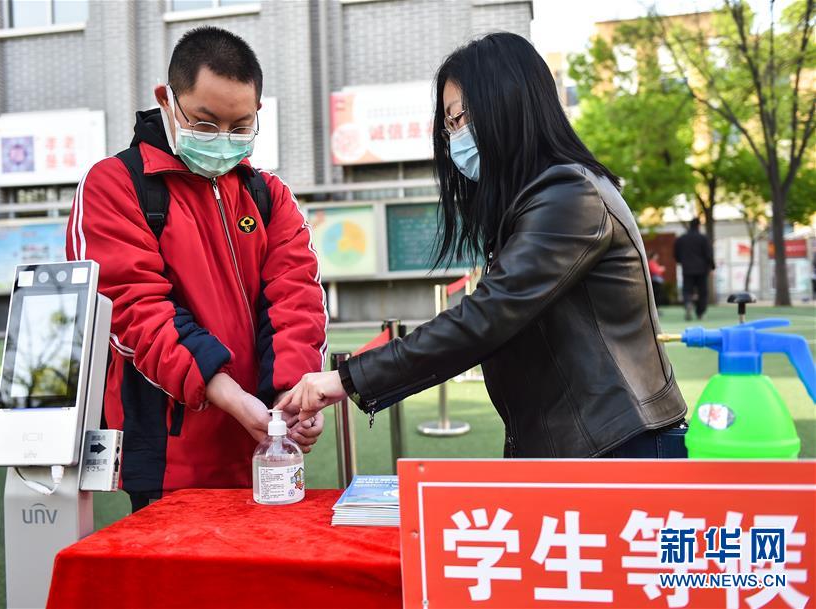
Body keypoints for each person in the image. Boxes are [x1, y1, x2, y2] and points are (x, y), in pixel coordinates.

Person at [278, 33, 688, 459]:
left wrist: (346, 379)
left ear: (508, 105)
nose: (455, 137)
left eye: (462, 119)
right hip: (582, 446)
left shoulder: (569, 196)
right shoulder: (540, 198)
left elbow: (486, 317)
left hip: (616, 446)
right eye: (449, 126)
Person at [66, 27, 328, 512]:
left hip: (264, 450)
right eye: (205, 124)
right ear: (166, 100)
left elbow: (297, 300)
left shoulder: (268, 195)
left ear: (257, 112)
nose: (223, 140)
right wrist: (229, 395)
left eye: (240, 126)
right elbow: (134, 311)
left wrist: (295, 395)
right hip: (170, 462)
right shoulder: (115, 185)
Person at [674, 218, 715, 321]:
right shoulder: (703, 238)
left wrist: (681, 261)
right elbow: (709, 254)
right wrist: (712, 266)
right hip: (702, 269)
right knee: (703, 292)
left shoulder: (681, 239)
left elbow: (676, 253)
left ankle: (688, 303)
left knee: (687, 289)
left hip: (687, 268)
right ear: (698, 226)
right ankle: (700, 313)